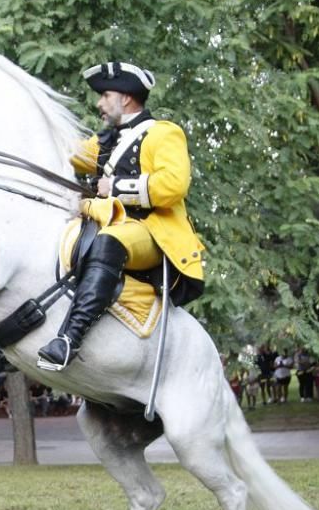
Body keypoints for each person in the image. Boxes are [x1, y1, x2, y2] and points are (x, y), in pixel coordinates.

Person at [38, 62, 205, 370]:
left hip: (153, 231)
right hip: (111, 223)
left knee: (109, 240)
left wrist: (114, 186)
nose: (100, 104)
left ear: (126, 98)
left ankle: (69, 339)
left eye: (105, 96)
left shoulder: (164, 133)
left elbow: (173, 184)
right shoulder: (105, 142)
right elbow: (67, 151)